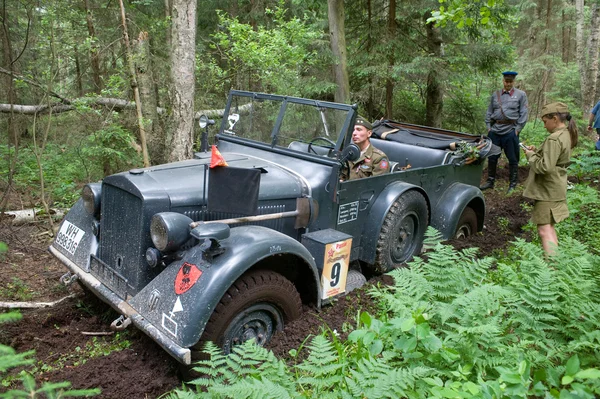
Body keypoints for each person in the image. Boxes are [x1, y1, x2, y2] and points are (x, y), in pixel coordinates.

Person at [522, 102, 578, 256]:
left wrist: (530, 155)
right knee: (549, 228)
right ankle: (556, 264)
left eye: (545, 122)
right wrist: (537, 152)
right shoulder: (566, 134)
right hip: (556, 188)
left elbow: (544, 167)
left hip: (547, 191)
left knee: (544, 230)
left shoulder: (554, 139)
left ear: (554, 118)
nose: (544, 126)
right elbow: (553, 158)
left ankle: (551, 271)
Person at [481, 71, 529, 193]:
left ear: (514, 82)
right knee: (492, 157)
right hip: (495, 131)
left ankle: (512, 184)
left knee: (513, 159)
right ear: (503, 81)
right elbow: (489, 111)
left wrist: (517, 130)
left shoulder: (521, 95)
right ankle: (490, 181)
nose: (508, 84)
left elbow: (523, 113)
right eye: (506, 81)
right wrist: (488, 127)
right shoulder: (495, 95)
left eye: (510, 81)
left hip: (510, 131)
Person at [340, 116, 390, 180]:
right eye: (353, 130)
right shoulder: (348, 153)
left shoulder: (379, 158)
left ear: (369, 133)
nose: (354, 133)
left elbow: (376, 184)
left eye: (359, 130)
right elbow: (341, 176)